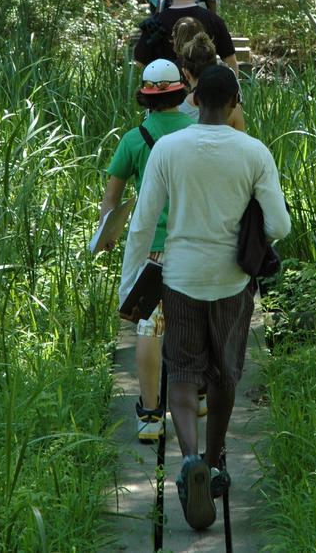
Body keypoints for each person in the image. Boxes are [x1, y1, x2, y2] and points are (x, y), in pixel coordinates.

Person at [119, 65, 291, 530]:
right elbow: (280, 226)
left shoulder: (169, 150)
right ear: (235, 103)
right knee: (224, 372)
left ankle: (190, 458)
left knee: (183, 372)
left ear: (194, 100)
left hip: (179, 278)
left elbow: (142, 221)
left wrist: (131, 279)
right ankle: (215, 464)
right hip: (232, 282)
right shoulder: (254, 152)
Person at [98, 59, 194, 443]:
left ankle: (151, 415)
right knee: (192, 324)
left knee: (148, 328)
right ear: (178, 91)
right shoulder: (197, 132)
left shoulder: (133, 140)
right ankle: (198, 397)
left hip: (151, 253)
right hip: (193, 246)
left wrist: (106, 235)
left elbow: (111, 200)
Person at [134, 0, 238, 72]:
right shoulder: (214, 20)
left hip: (166, 86)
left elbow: (139, 64)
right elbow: (231, 63)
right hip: (204, 87)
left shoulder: (155, 22)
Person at [176, 29, 245, 131]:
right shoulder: (233, 109)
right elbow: (241, 142)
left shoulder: (176, 110)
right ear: (214, 67)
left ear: (186, 73)